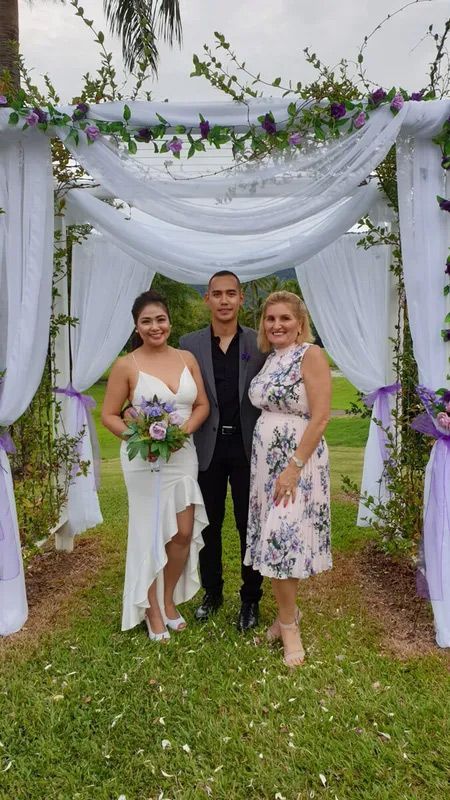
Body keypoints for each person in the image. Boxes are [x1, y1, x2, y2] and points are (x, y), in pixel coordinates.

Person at [101, 290, 210, 641]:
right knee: (149, 532)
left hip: (183, 454)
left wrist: (184, 432)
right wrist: (142, 439)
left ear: (169, 321)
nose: (154, 326)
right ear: (137, 326)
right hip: (145, 460)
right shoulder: (126, 365)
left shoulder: (187, 358)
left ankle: (167, 599)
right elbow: (109, 415)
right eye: (146, 321)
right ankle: (151, 610)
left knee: (181, 532)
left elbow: (202, 405)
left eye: (160, 319)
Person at [244, 291, 332, 667]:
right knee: (273, 539)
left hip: (297, 462)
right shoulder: (270, 360)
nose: (277, 325)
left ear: (300, 324)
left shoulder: (309, 354)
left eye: (285, 319)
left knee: (282, 540)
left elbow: (321, 416)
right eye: (270, 318)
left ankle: (289, 625)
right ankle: (287, 617)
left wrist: (294, 467)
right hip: (265, 464)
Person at [180, 271, 266, 631]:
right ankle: (212, 593)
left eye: (232, 293)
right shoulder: (189, 343)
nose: (225, 300)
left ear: (241, 298)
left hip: (249, 449)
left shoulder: (260, 342)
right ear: (208, 299)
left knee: (250, 526)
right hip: (206, 448)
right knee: (208, 526)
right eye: (218, 294)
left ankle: (250, 600)